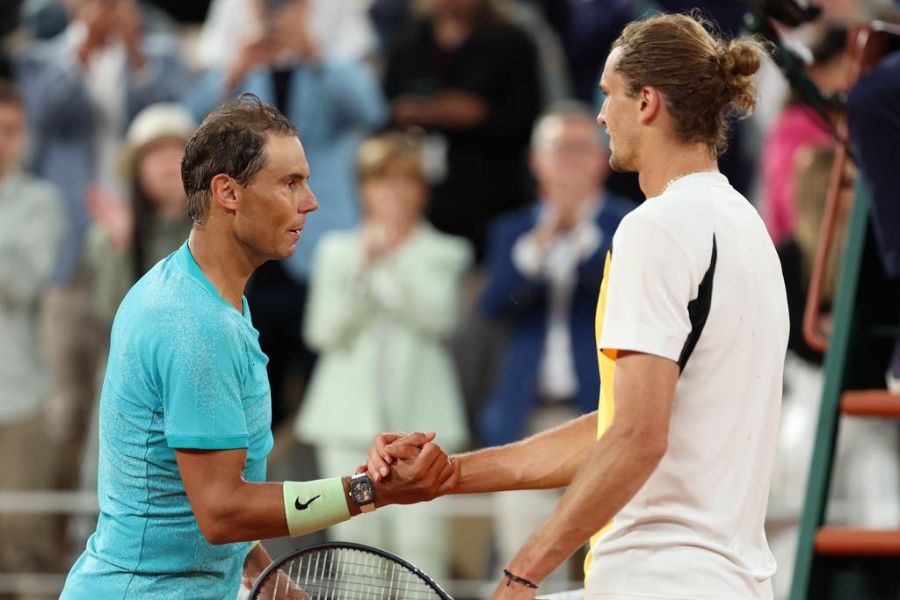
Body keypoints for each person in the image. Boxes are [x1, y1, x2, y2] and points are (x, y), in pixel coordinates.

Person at [367, 13, 790, 599]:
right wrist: (454, 474)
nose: (600, 116)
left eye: (607, 95)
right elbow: (623, 424)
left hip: (654, 578)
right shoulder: (750, 228)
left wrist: (523, 570)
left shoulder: (656, 228)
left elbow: (638, 436)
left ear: (646, 102)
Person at [60, 95, 456, 600]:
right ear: (228, 192)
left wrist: (278, 586)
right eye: (290, 183)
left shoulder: (194, 295)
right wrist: (367, 491)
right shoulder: (196, 324)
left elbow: (192, 491)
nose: (310, 201)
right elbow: (222, 510)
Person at [185, 0, 387, 427]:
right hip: (253, 245)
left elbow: (372, 109)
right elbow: (192, 121)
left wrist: (314, 55)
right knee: (256, 383)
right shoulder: (243, 70)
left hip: (321, 240)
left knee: (323, 378)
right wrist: (236, 67)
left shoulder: (333, 63)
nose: (277, 18)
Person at [296, 131, 472, 580]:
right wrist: (364, 269)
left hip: (422, 421)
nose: (392, 192)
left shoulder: (446, 251)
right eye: (381, 181)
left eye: (405, 181)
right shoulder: (337, 252)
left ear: (421, 190)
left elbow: (440, 318)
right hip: (345, 420)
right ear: (364, 189)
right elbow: (321, 331)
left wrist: (393, 267)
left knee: (421, 546)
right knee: (357, 549)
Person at [478, 101, 633, 583]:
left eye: (579, 148)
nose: (568, 162)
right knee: (522, 558)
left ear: (599, 158)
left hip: (604, 414)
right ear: (535, 162)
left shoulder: (627, 224)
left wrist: (582, 237)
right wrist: (544, 242)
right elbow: (494, 306)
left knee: (609, 556)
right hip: (527, 415)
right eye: (557, 149)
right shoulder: (513, 230)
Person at [0, 80, 65, 597]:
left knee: (25, 545)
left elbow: (22, 285)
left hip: (15, 400)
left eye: (11, 131)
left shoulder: (41, 202)